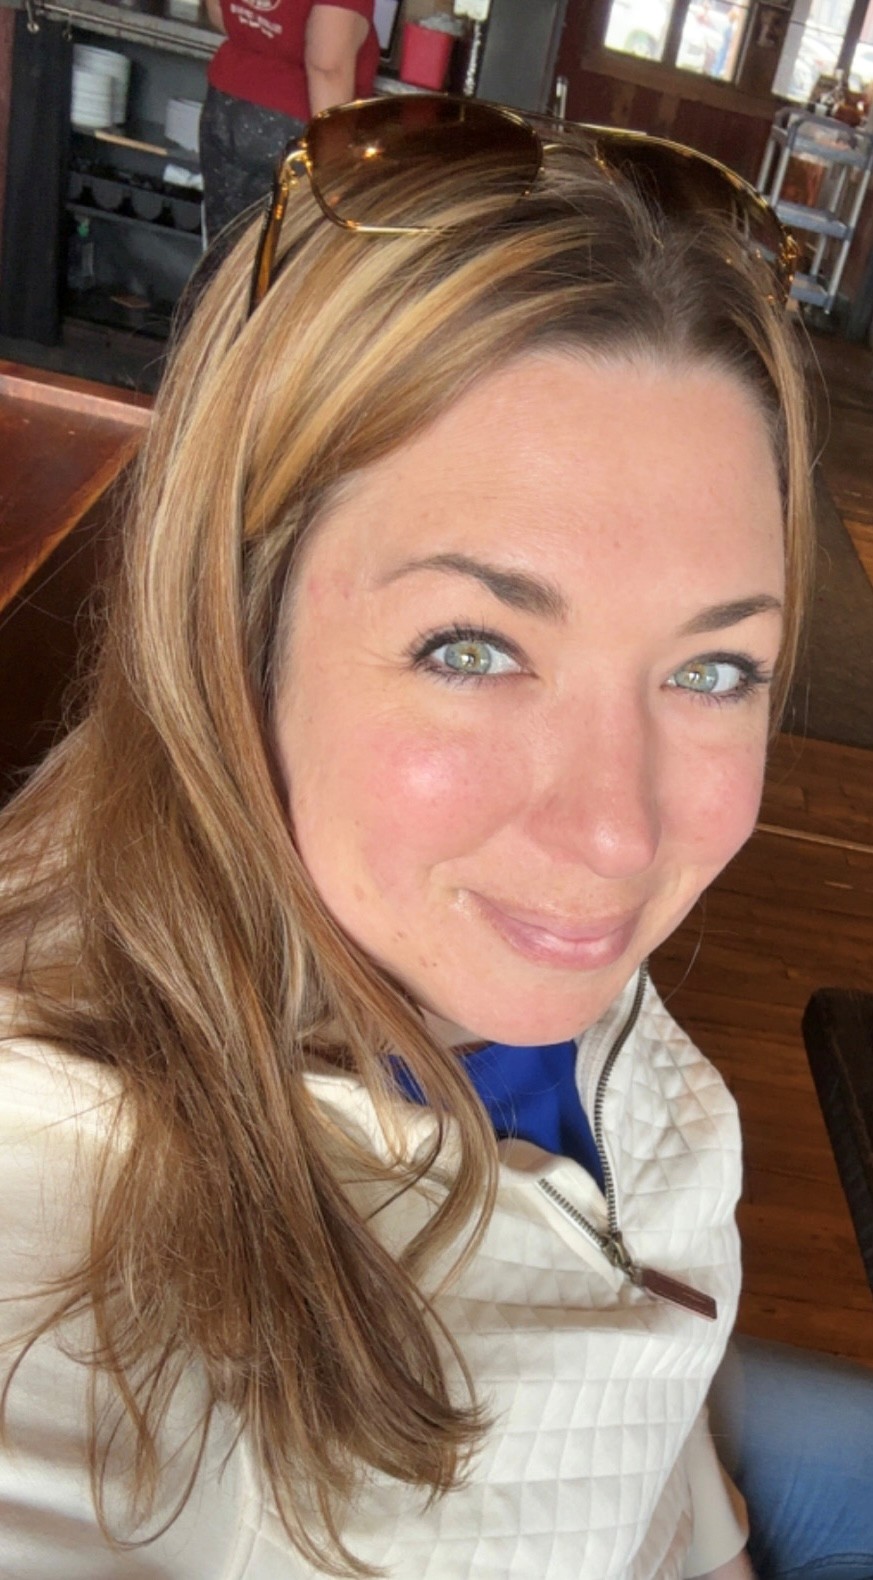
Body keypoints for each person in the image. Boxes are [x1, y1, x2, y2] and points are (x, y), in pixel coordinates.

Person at [1, 96, 872, 1580]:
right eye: (471, 648)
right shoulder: (63, 1247)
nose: (617, 832)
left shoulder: (449, 919)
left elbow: (641, 1388)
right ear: (233, 625)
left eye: (714, 668)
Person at [199, 0, 378, 240]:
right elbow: (327, 65)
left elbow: (217, 11)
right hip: (296, 126)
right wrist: (334, 168)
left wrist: (263, 36)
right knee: (294, 255)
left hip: (227, 105)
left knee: (226, 249)